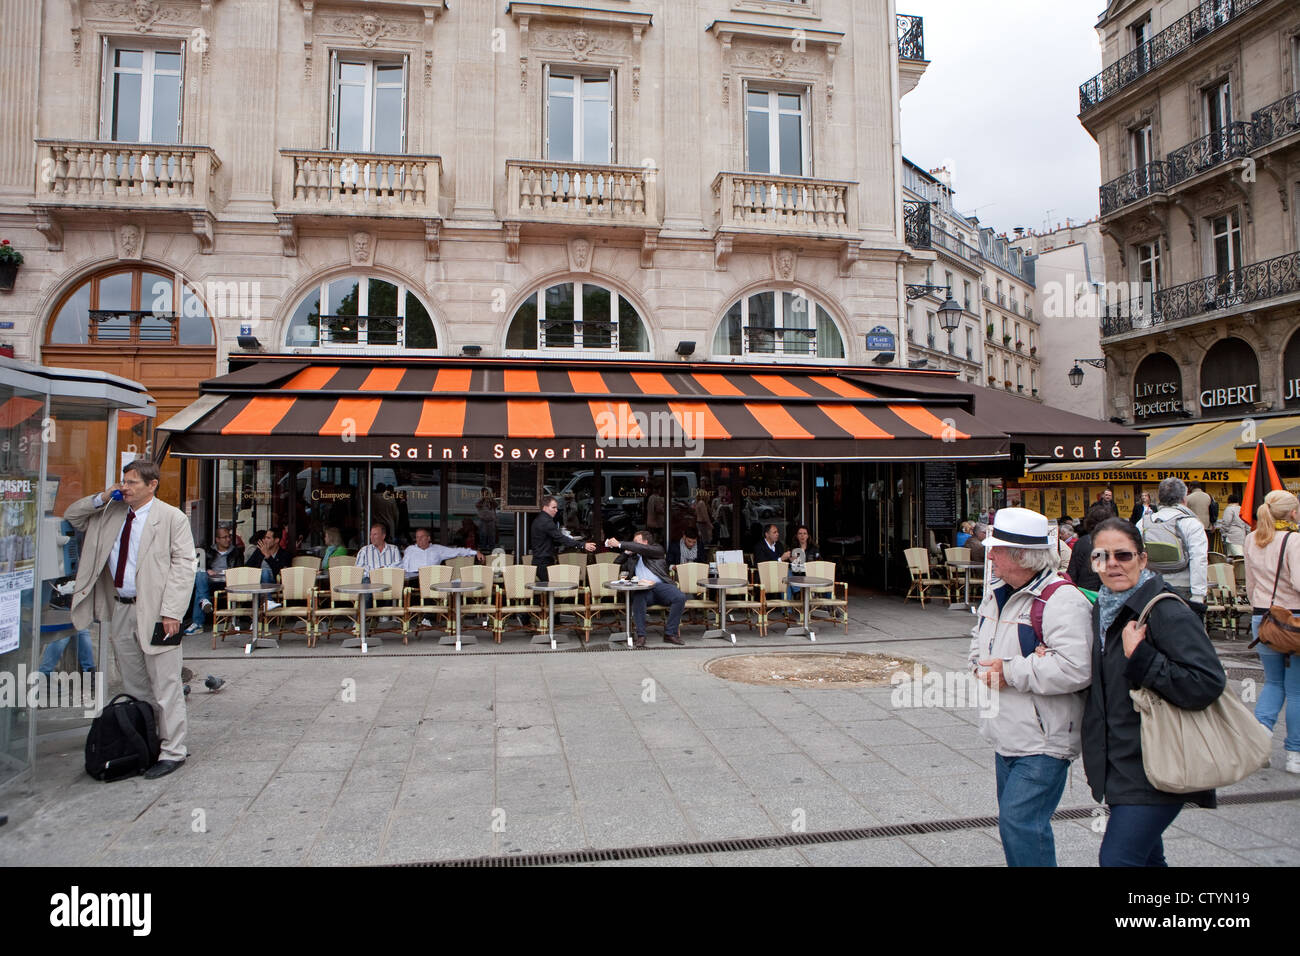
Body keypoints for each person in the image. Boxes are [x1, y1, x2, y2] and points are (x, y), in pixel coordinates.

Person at [1081, 517, 1227, 866]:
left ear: (1143, 560)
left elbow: (1207, 682)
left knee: (1118, 860)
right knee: (1147, 859)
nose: (1112, 564)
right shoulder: (1104, 607)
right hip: (1121, 761)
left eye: (1124, 555)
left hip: (1156, 763)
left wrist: (1141, 656)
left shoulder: (1165, 610)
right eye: (1102, 556)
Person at [968, 507, 1093, 866]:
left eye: (998, 549)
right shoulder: (997, 590)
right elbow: (979, 643)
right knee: (1014, 824)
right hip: (1007, 731)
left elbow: (1076, 667)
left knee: (1021, 822)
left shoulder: (1061, 599)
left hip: (1044, 739)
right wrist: (982, 665)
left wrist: (1010, 671)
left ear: (1022, 556)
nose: (989, 554)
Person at [64, 459, 194, 779]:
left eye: (134, 482)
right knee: (135, 685)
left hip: (159, 613)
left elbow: (184, 566)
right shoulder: (110, 512)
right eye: (124, 481)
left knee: (166, 684)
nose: (127, 486)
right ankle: (147, 743)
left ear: (152, 485)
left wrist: (172, 612)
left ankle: (173, 750)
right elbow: (72, 516)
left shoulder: (171, 518)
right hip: (122, 608)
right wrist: (103, 496)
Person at [1243, 491, 1300, 774]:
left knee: (1273, 683)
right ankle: (1294, 754)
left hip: (1262, 618)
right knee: (1297, 690)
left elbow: (1251, 585)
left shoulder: (1251, 539)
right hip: (1293, 620)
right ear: (1292, 514)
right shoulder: (1294, 540)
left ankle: (1260, 744)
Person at [1141, 477, 1208, 620]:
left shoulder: (1144, 522)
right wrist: (1198, 595)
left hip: (1152, 586)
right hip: (1184, 587)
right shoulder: (1191, 523)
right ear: (1184, 498)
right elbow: (1199, 559)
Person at [606, 530, 687, 647]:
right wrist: (626, 552)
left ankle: (670, 634)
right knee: (638, 599)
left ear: (646, 542)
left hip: (660, 586)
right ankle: (641, 636)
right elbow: (616, 564)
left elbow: (643, 549)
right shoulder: (633, 556)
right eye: (633, 543)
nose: (634, 545)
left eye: (636, 542)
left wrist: (619, 543)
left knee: (680, 597)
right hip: (641, 588)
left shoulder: (657, 550)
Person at [184, 523, 244, 636]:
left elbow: (240, 569)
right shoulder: (208, 552)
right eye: (224, 537)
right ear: (217, 539)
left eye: (229, 536)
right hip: (211, 582)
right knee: (200, 574)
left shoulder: (236, 552)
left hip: (228, 582)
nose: (228, 539)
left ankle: (198, 621)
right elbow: (195, 566)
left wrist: (229, 573)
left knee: (200, 593)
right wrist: (207, 570)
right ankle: (204, 602)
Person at [531, 495, 595, 582]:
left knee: (552, 587)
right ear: (545, 508)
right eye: (553, 507)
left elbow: (553, 539)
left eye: (556, 508)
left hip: (540, 560)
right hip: (543, 562)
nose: (556, 510)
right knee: (554, 586)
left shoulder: (539, 519)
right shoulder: (546, 522)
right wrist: (582, 545)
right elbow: (560, 538)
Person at [1066, 504, 1114, 593]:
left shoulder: (1081, 541)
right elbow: (1098, 575)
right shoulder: (1105, 542)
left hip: (1082, 592)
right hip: (1098, 595)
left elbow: (1072, 573)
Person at [402, 527, 479, 571]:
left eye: (422, 537)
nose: (419, 539)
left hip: (432, 579)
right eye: (417, 537)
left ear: (428, 538)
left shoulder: (437, 549)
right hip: (414, 579)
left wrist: (475, 552)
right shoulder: (410, 549)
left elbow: (457, 551)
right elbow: (404, 565)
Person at [475, 487, 498, 552]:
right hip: (483, 520)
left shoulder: (491, 500)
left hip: (491, 520)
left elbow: (496, 505)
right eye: (484, 492)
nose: (486, 494)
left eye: (487, 492)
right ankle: (483, 548)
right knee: (483, 534)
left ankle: (492, 548)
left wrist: (491, 500)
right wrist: (483, 499)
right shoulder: (479, 500)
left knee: (492, 535)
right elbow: (477, 505)